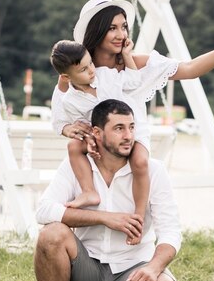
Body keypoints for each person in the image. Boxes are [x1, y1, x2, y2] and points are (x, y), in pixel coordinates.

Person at [51, 0, 214, 217]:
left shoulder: (136, 63)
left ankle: (140, 214)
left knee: (141, 162)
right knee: (74, 151)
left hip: (131, 137)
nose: (121, 34)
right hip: (99, 144)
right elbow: (61, 103)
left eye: (124, 27)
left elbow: (190, 69)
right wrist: (67, 129)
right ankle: (90, 199)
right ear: (96, 30)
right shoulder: (78, 70)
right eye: (112, 28)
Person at [32, 99, 181, 281]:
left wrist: (154, 267)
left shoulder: (153, 171)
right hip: (85, 269)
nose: (129, 136)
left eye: (132, 127)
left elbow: (171, 231)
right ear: (98, 133)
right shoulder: (77, 166)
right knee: (51, 234)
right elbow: (44, 210)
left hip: (131, 272)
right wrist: (105, 218)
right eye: (119, 128)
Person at [50, 40, 150, 245]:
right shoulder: (70, 101)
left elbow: (133, 82)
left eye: (91, 64)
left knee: (140, 161)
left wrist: (127, 55)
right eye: (84, 69)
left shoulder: (105, 76)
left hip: (128, 130)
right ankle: (89, 191)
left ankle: (139, 217)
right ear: (67, 77)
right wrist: (89, 140)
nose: (91, 71)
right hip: (101, 138)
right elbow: (83, 125)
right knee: (73, 146)